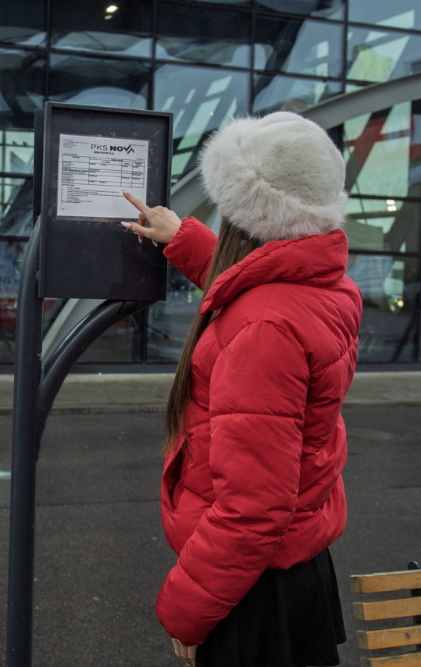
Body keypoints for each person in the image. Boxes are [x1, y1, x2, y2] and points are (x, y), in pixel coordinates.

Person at [122, 112, 359, 667]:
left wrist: (186, 612)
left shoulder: (263, 330)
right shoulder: (326, 287)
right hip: (297, 571)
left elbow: (252, 510)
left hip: (253, 595)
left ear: (246, 211)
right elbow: (257, 283)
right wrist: (183, 239)